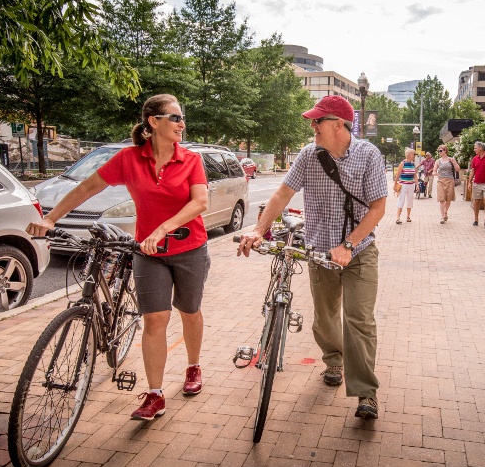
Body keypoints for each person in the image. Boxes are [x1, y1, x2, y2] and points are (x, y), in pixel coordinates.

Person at [27, 94, 211, 421]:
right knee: (155, 319)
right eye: (176, 117)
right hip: (147, 251)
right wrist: (50, 219)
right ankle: (155, 395)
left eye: (183, 118)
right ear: (154, 122)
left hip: (189, 249)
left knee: (189, 310)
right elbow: (87, 188)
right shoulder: (129, 159)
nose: (183, 124)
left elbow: (199, 203)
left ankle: (193, 366)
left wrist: (163, 229)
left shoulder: (191, 160)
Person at [237, 95, 387, 420]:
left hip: (359, 251)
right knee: (325, 317)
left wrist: (349, 244)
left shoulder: (368, 156)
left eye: (317, 121)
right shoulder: (309, 155)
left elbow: (378, 208)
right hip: (319, 250)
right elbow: (282, 194)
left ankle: (365, 393)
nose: (312, 126)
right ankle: (334, 361)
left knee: (358, 319)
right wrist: (258, 229)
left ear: (337, 124)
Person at [432, 145, 461, 224]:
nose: (439, 152)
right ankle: (442, 216)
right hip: (441, 181)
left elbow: (458, 169)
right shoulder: (438, 161)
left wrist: (454, 162)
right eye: (439, 151)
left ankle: (445, 212)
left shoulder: (451, 159)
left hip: (450, 180)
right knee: (442, 199)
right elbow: (434, 171)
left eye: (441, 151)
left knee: (448, 199)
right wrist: (435, 173)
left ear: (445, 151)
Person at [395, 148, 418, 224]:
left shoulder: (413, 164)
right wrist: (395, 184)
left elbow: (415, 175)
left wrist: (417, 184)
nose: (414, 155)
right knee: (401, 200)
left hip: (411, 185)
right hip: (403, 185)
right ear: (408, 155)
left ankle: (408, 216)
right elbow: (398, 175)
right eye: (413, 154)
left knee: (410, 201)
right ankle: (398, 218)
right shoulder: (403, 163)